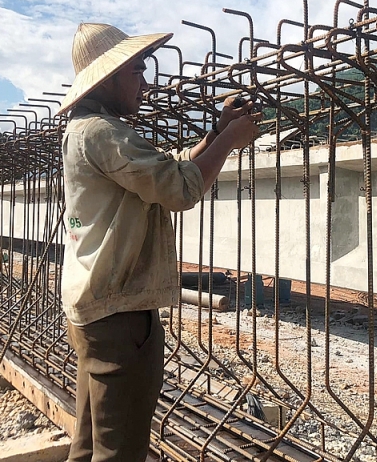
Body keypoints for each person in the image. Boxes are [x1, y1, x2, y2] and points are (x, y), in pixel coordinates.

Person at [58, 23, 260, 462]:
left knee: (91, 442)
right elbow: (177, 190)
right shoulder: (103, 132)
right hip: (120, 313)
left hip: (95, 307)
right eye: (137, 71)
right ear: (108, 77)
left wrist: (215, 131)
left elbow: (159, 169)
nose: (145, 82)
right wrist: (230, 140)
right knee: (120, 452)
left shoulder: (85, 130)